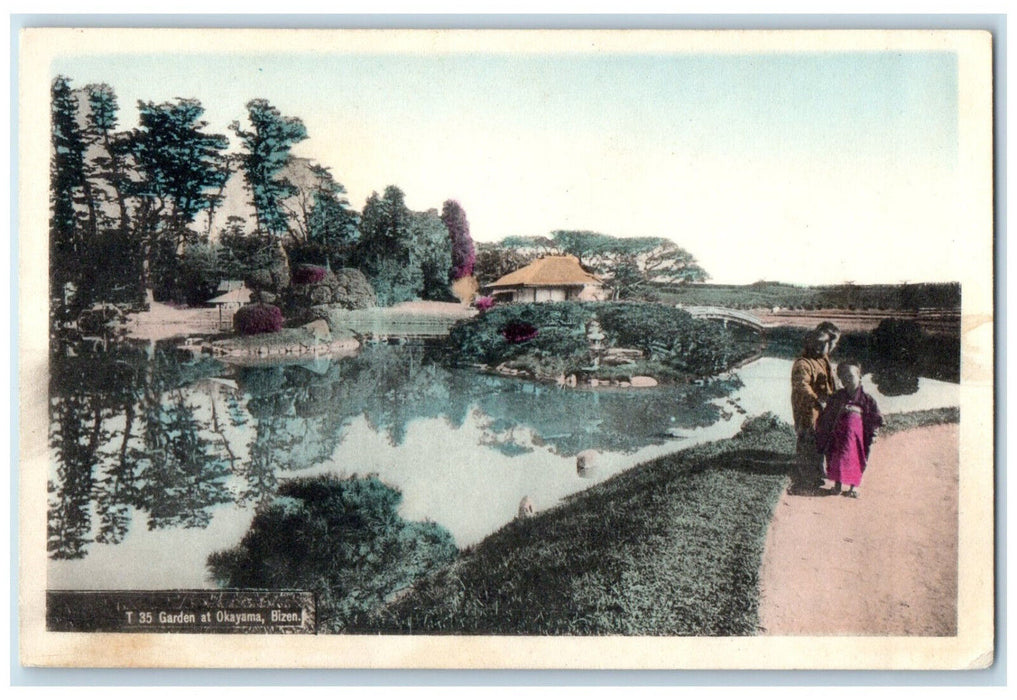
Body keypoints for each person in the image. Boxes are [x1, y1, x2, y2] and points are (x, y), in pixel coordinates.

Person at [815, 360, 884, 498]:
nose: (847, 379)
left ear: (859, 376)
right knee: (837, 458)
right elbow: (828, 413)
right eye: (843, 376)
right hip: (838, 436)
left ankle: (853, 487)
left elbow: (875, 418)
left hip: (858, 438)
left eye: (850, 375)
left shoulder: (867, 399)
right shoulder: (837, 397)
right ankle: (838, 485)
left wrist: (874, 433)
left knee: (856, 460)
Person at [789, 330, 837, 493]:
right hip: (807, 409)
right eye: (826, 345)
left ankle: (817, 471)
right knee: (807, 439)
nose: (829, 347)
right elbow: (802, 386)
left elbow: (830, 380)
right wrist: (817, 399)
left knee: (820, 438)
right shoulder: (803, 364)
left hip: (821, 408)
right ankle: (807, 475)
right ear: (817, 347)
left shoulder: (823, 360)